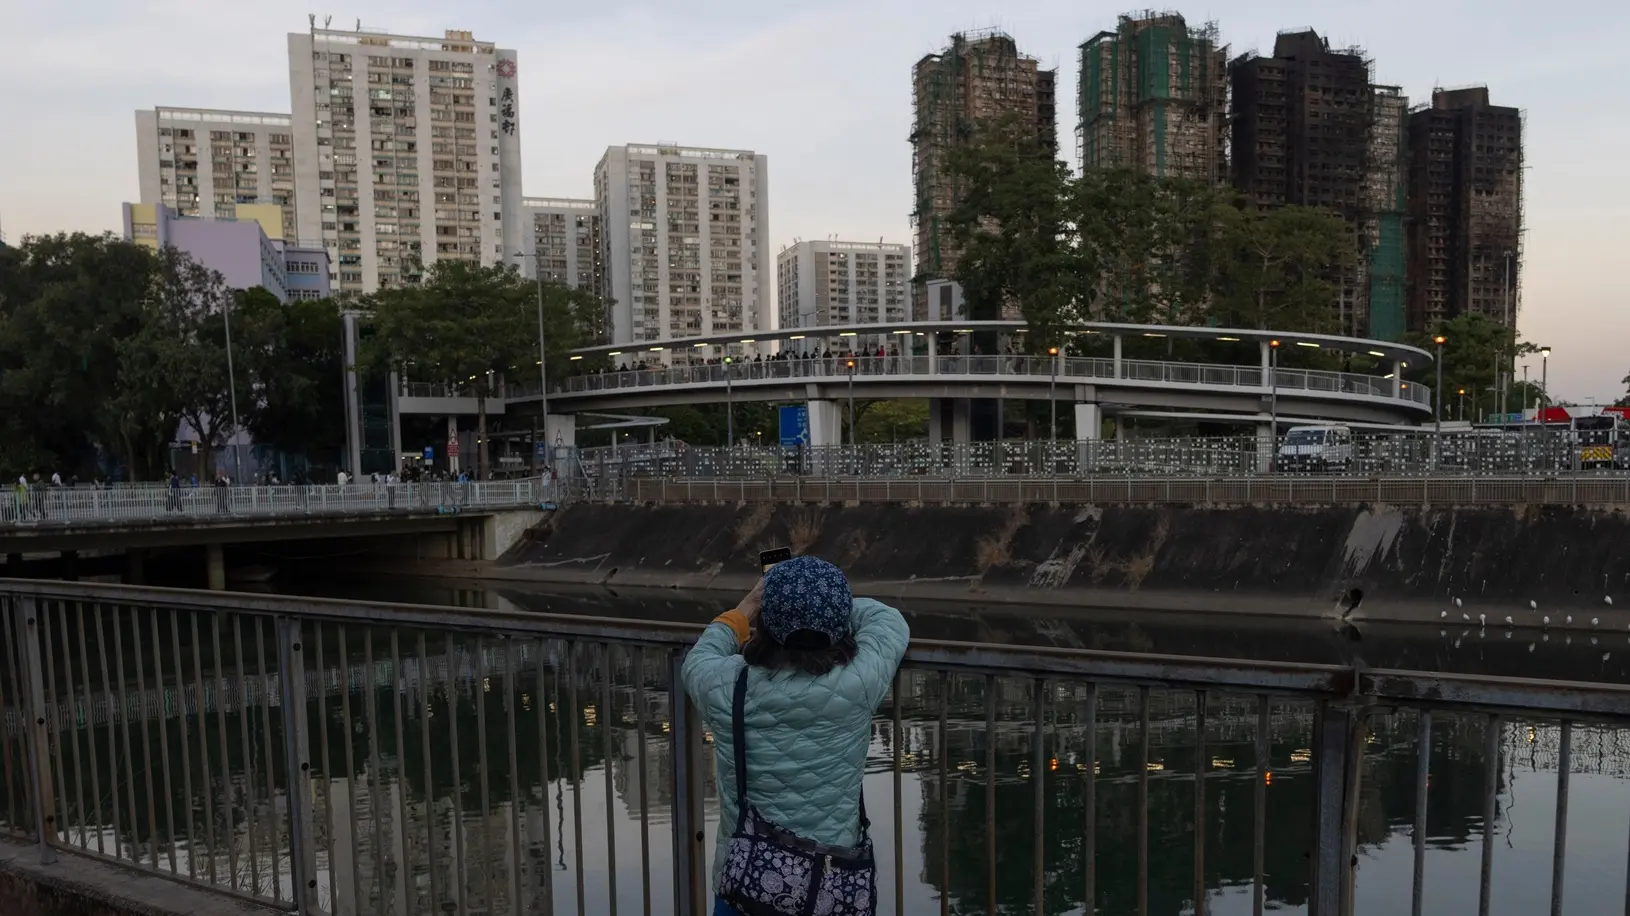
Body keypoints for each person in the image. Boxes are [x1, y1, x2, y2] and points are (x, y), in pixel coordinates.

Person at [681, 555, 908, 916]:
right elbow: (888, 621)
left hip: (748, 883)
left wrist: (749, 606)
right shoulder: (859, 683)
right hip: (830, 884)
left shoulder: (728, 686)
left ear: (768, 623)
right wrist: (824, 601)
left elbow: (699, 658)